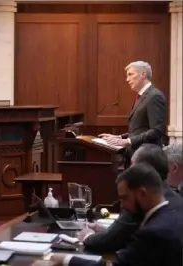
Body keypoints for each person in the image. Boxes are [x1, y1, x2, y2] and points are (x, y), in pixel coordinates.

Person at [51, 163, 183, 266]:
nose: (122, 206)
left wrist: (67, 260)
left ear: (142, 194)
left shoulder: (153, 233)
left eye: (125, 198)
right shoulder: (172, 214)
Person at [79, 144, 182, 254]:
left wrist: (87, 236)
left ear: (142, 170)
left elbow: (108, 241)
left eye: (132, 166)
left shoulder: (141, 200)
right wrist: (105, 231)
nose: (128, 170)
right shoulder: (176, 199)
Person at [98, 61, 167, 167]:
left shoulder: (154, 96)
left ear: (143, 74)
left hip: (147, 158)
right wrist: (120, 137)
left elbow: (156, 131)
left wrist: (128, 141)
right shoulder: (141, 96)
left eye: (130, 74)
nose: (127, 79)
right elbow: (141, 128)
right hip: (136, 156)